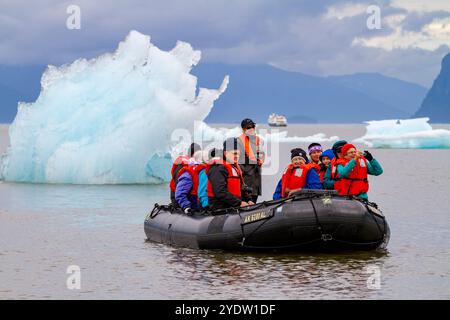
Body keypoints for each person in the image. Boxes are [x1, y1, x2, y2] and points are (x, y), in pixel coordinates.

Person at [207, 138, 254, 210]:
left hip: (233, 206)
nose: (237, 156)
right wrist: (239, 203)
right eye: (234, 153)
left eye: (238, 154)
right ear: (226, 153)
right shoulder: (218, 168)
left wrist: (248, 200)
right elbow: (220, 192)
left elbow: (242, 187)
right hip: (220, 208)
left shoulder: (234, 167)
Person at [237, 118, 264, 203]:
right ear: (243, 129)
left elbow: (261, 157)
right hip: (246, 181)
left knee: (253, 203)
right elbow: (238, 163)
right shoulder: (238, 142)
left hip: (256, 182)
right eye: (248, 127)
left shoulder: (258, 140)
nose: (251, 129)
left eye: (252, 126)